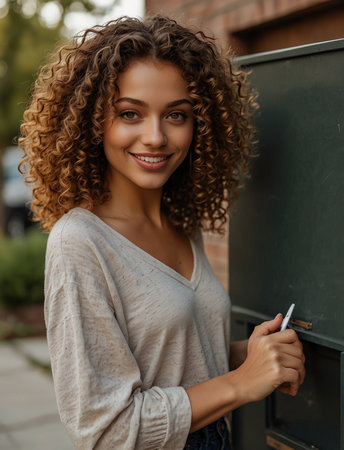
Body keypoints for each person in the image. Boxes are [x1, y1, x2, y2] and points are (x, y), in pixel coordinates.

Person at [19, 15, 306, 449]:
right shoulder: (79, 243)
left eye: (176, 115)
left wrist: (245, 355)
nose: (155, 137)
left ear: (200, 125)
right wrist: (239, 384)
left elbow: (171, 364)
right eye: (130, 113)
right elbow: (105, 430)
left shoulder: (180, 224)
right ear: (94, 122)